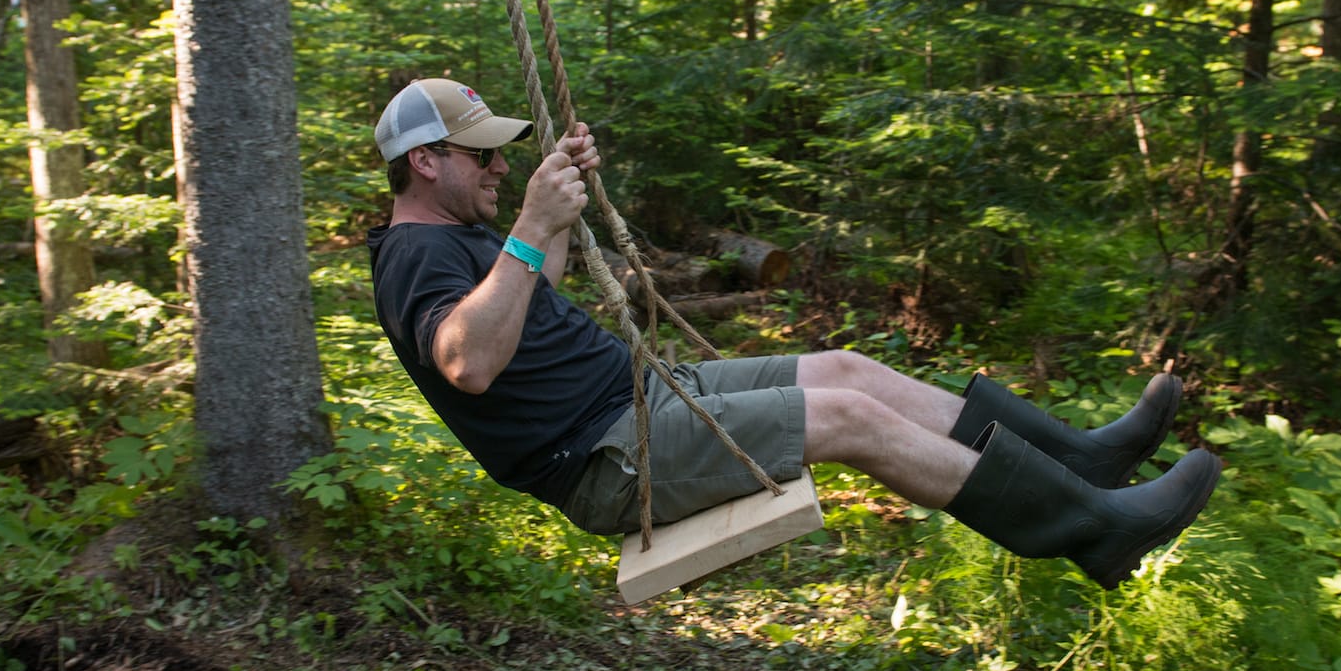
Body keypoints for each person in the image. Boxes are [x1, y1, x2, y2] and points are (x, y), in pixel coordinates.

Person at [363, 78, 1221, 586]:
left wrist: (544, 223)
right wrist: (525, 230)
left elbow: (523, 302)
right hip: (606, 457)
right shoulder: (410, 257)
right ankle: (1095, 532)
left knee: (851, 370)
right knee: (850, 421)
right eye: (484, 156)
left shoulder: (460, 239)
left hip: (646, 396)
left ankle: (1085, 461)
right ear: (426, 161)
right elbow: (470, 362)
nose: (502, 165)